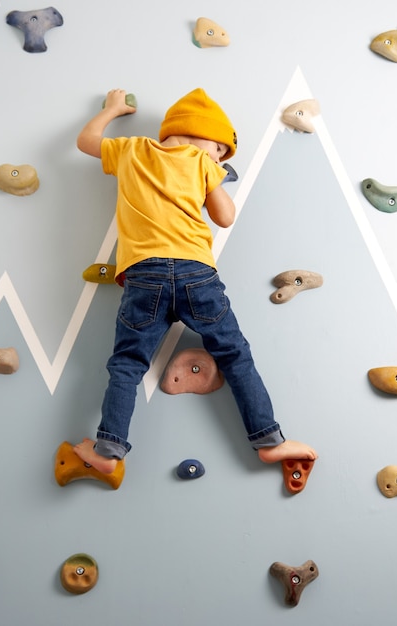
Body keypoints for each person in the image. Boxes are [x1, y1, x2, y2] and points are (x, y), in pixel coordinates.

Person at [74, 87, 318, 474]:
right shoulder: (202, 163)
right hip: (196, 275)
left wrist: (112, 110)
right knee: (235, 356)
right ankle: (270, 440)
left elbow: (85, 142)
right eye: (221, 151)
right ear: (210, 142)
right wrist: (214, 179)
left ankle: (108, 450)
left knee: (127, 364)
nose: (220, 159)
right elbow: (225, 217)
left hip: (144, 275)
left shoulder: (132, 149)